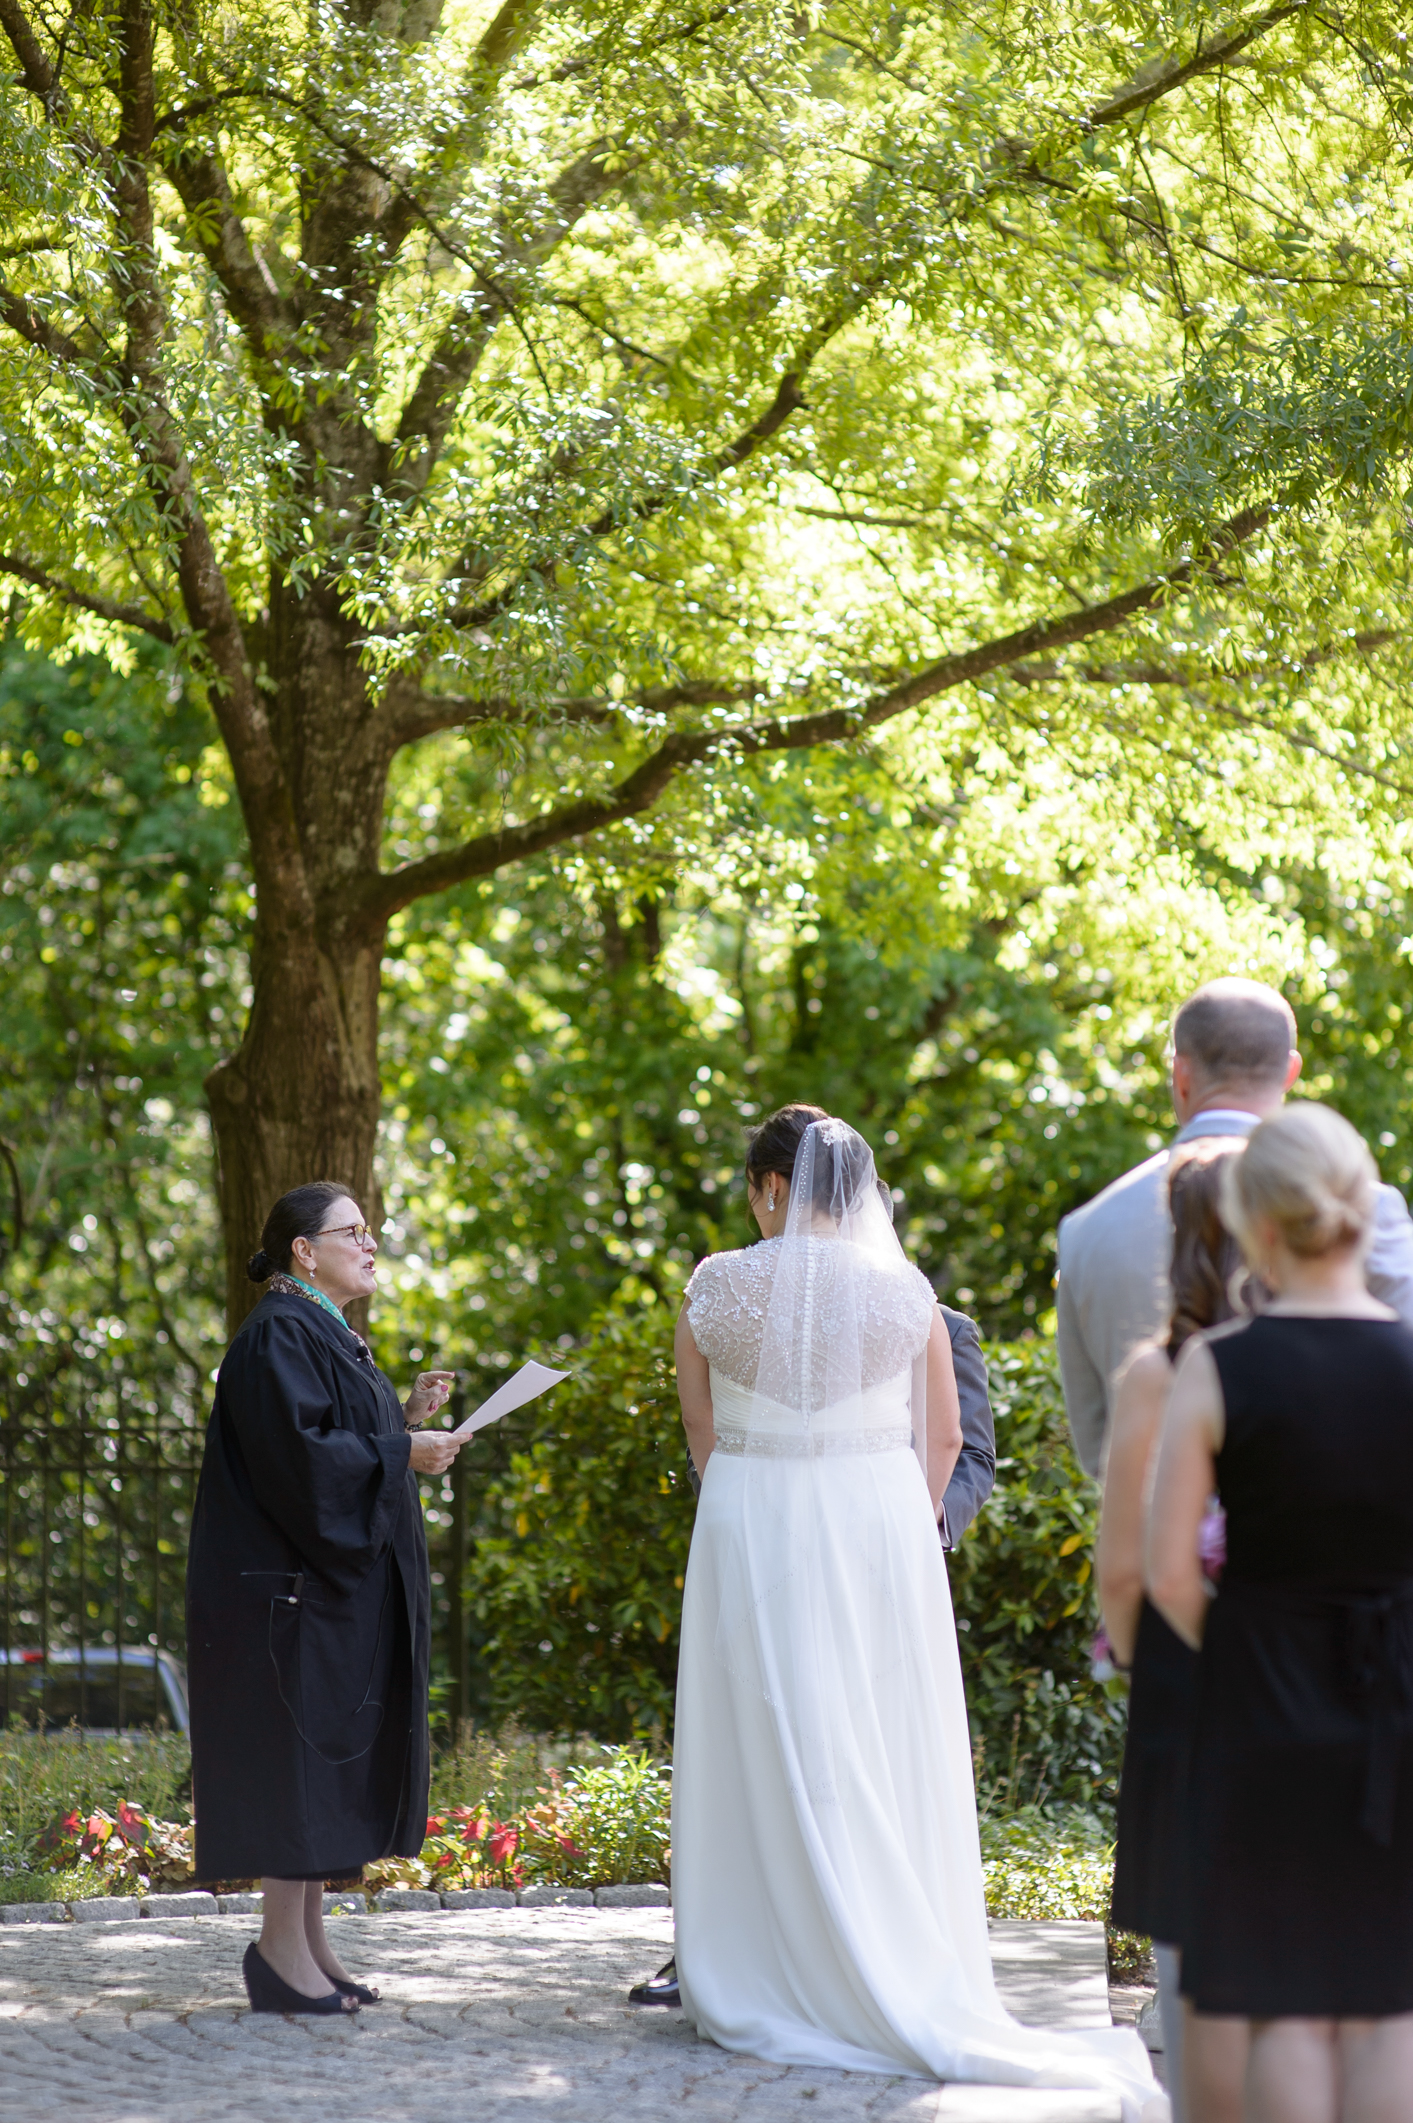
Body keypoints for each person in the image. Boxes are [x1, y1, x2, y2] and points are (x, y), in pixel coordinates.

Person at [668, 1104, 1164, 2118]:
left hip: (747, 1517)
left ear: (770, 1186)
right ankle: (885, 1939)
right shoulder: (905, 1293)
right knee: (867, 1730)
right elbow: (942, 1441)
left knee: (759, 1725)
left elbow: (699, 1420)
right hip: (871, 1526)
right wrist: (883, 1518)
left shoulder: (716, 1284)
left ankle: (754, 1959)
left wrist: (753, 1500)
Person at [1148, 1105, 1413, 2123]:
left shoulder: (1220, 1363)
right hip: (1395, 1699)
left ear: (1254, 1226)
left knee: (1285, 2004)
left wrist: (1256, 1646)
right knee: (1387, 1997)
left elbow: (1172, 1574)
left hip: (1260, 1704)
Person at [186, 1180, 463, 2016]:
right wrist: (398, 1451)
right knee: (294, 1768)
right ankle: (276, 1952)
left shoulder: (319, 1329)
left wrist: (403, 1419)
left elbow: (336, 1441)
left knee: (318, 1769)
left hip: (320, 1600)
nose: (371, 1243)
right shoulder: (277, 1333)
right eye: (355, 1232)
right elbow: (301, 1465)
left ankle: (307, 1942)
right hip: (287, 1603)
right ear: (304, 1250)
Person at [1057, 978, 1413, 1476]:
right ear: (1291, 1072)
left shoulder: (1087, 1230)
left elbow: (1099, 1451)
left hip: (1148, 1536)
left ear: (1180, 1075)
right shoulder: (1362, 1207)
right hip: (1338, 1527)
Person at [1096, 1141, 1251, 2123]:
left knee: (1195, 1952)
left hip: (1188, 1672)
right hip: (1310, 1670)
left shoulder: (1160, 1371)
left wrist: (1141, 1661)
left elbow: (1126, 1568)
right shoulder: (1319, 1355)